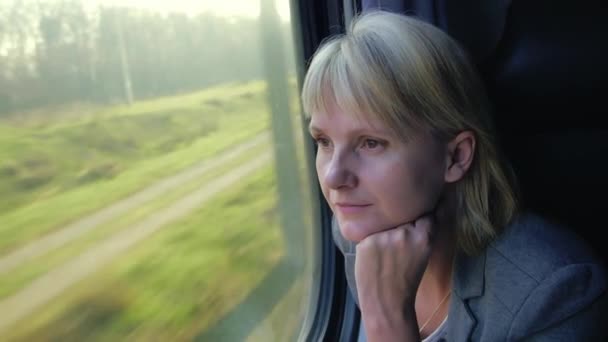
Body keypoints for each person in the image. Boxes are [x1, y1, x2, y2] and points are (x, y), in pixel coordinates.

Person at [301, 10, 608, 341]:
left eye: (371, 143)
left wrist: (387, 320)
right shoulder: (359, 235)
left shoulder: (556, 294)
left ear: (456, 157)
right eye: (324, 141)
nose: (334, 177)